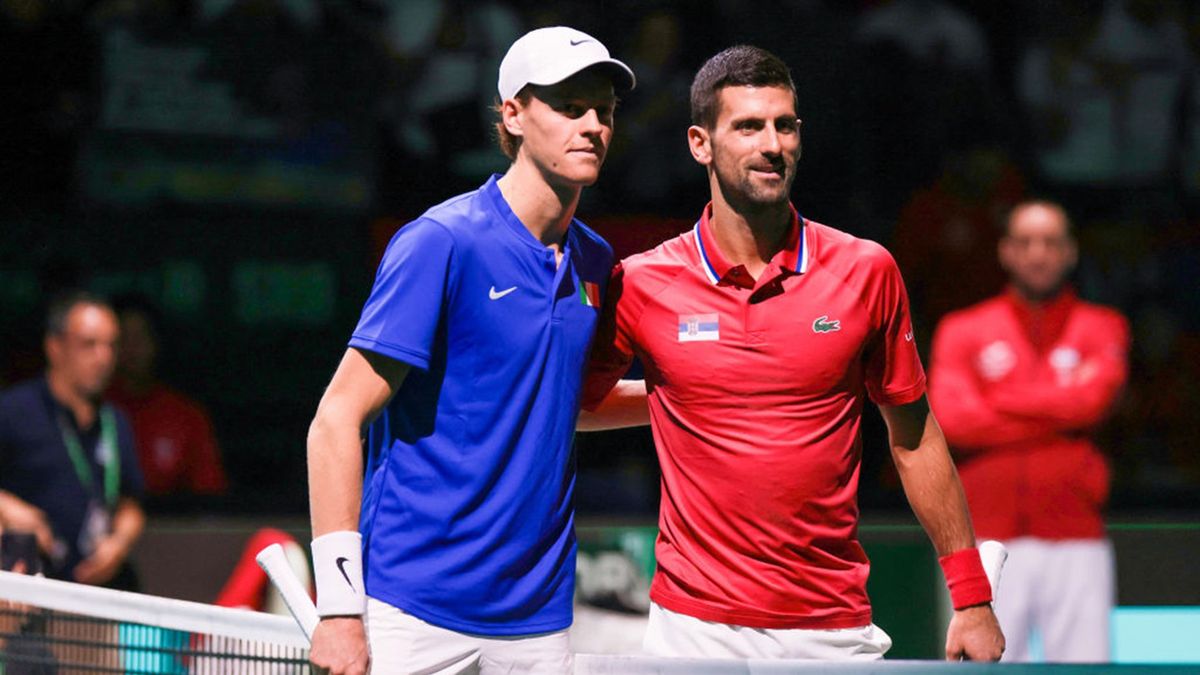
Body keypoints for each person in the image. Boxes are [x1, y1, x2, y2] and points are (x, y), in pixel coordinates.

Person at [579, 45, 1003, 661]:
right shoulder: (642, 283)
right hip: (690, 630)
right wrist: (681, 404)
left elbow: (914, 438)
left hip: (830, 627)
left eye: (784, 125)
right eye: (748, 126)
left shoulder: (866, 270)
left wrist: (971, 597)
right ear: (701, 143)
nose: (771, 144)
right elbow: (575, 407)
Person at [304, 26, 634, 675]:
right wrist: (340, 607)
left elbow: (565, 405)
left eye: (604, 109)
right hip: (413, 611)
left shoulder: (596, 261)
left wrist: (691, 402)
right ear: (512, 113)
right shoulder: (441, 242)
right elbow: (334, 421)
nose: (592, 124)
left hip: (538, 623)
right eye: (570, 106)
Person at [928, 200, 1130, 662]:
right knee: (979, 669)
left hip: (1077, 536)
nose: (1038, 254)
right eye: (1025, 243)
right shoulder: (963, 329)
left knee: (1085, 671)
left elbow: (1092, 403)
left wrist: (996, 399)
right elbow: (954, 420)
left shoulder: (1103, 327)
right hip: (981, 539)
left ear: (1071, 252)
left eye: (1051, 243)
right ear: (1005, 251)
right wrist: (1058, 407)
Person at [0, 291, 146, 590]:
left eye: (110, 346)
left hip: (100, 591)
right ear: (55, 347)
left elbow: (132, 504)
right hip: (28, 591)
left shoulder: (114, 421)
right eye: (89, 345)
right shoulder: (13, 410)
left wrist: (118, 543)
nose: (103, 357)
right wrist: (7, 508)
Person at [107, 294, 230, 502]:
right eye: (123, 339)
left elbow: (210, 496)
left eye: (140, 337)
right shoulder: (90, 412)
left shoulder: (186, 416)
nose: (131, 349)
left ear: (156, 343)